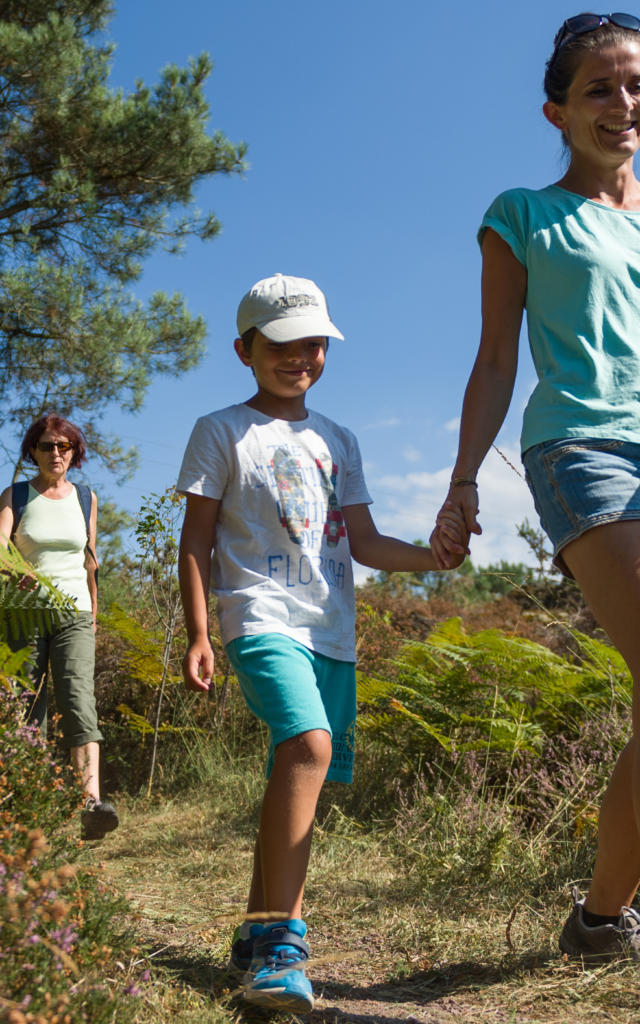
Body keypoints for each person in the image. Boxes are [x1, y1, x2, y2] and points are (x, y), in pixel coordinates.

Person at [177, 272, 467, 1011]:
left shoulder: (340, 439)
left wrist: (430, 557)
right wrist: (200, 632)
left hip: (331, 629)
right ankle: (283, 945)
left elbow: (364, 542)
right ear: (244, 349)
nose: (298, 355)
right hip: (258, 615)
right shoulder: (221, 430)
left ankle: (251, 932)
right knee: (308, 745)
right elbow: (196, 539)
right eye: (279, 343)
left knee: (296, 767)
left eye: (312, 342)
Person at [432, 13, 640, 962]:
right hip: (583, 451)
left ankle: (598, 922)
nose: (624, 104)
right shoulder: (522, 212)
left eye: (635, 84)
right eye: (600, 88)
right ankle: (601, 918)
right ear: (557, 110)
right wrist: (464, 479)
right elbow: (493, 360)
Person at [0, 414, 118, 841]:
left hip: (75, 614)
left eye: (64, 447)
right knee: (25, 707)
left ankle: (91, 805)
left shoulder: (86, 498)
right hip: (23, 613)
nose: (56, 453)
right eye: (48, 446)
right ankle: (25, 804)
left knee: (78, 700)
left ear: (74, 453)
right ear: (33, 449)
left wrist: (94, 613)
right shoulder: (15, 496)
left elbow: (90, 560)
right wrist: (15, 571)